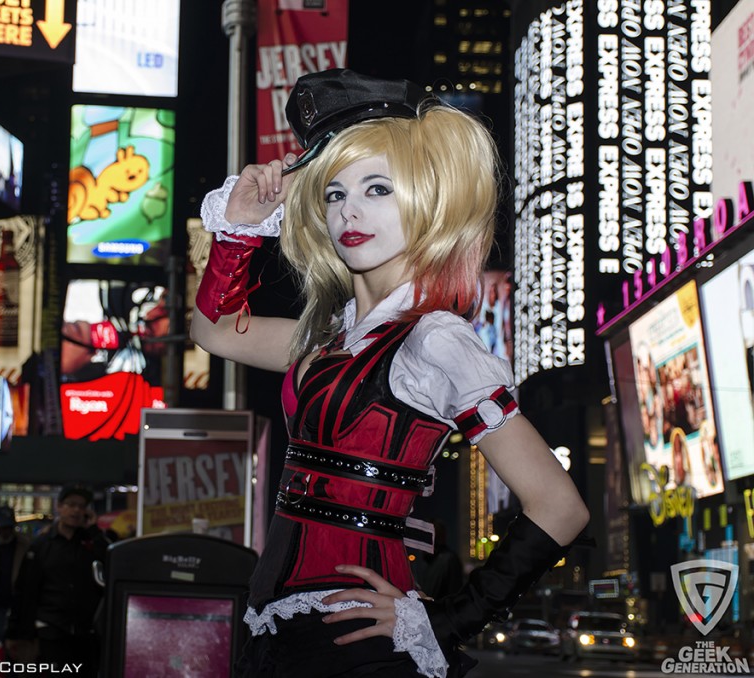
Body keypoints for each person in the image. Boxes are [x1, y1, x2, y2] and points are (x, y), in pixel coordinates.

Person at [190, 68, 590, 677]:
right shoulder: (327, 336)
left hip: (362, 650)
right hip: (274, 631)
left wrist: (446, 620)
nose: (350, 208)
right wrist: (239, 231)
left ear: (428, 201)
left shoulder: (436, 339)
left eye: (378, 188)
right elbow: (214, 331)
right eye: (334, 193)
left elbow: (560, 506)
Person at [6, 485, 109, 673]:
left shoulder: (90, 544)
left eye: (82, 506)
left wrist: (94, 530)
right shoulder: (42, 546)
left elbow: (110, 564)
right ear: (59, 507)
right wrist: (18, 632)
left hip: (84, 633)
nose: (76, 510)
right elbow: (25, 589)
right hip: (49, 630)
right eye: (71, 504)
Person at [0, 507, 30, 645]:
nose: (6, 531)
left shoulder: (23, 544)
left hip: (15, 604)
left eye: (9, 527)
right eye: (3, 527)